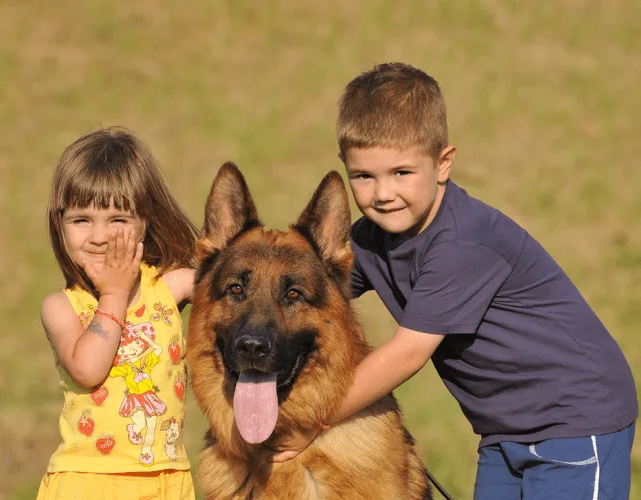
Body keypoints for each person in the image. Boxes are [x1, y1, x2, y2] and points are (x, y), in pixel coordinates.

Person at [271, 63, 637, 500]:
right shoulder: (370, 239)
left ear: (443, 163)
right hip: (503, 432)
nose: (383, 194)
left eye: (402, 173)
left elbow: (408, 353)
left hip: (576, 422)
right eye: (364, 176)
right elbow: (305, 294)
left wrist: (313, 422)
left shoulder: (460, 243)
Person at [36, 127, 198, 500]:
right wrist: (114, 293)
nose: (98, 236)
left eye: (118, 221)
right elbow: (89, 370)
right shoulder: (62, 308)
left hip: (168, 480)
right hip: (91, 482)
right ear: (59, 224)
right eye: (81, 220)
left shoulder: (168, 288)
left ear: (145, 223)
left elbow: (233, 282)